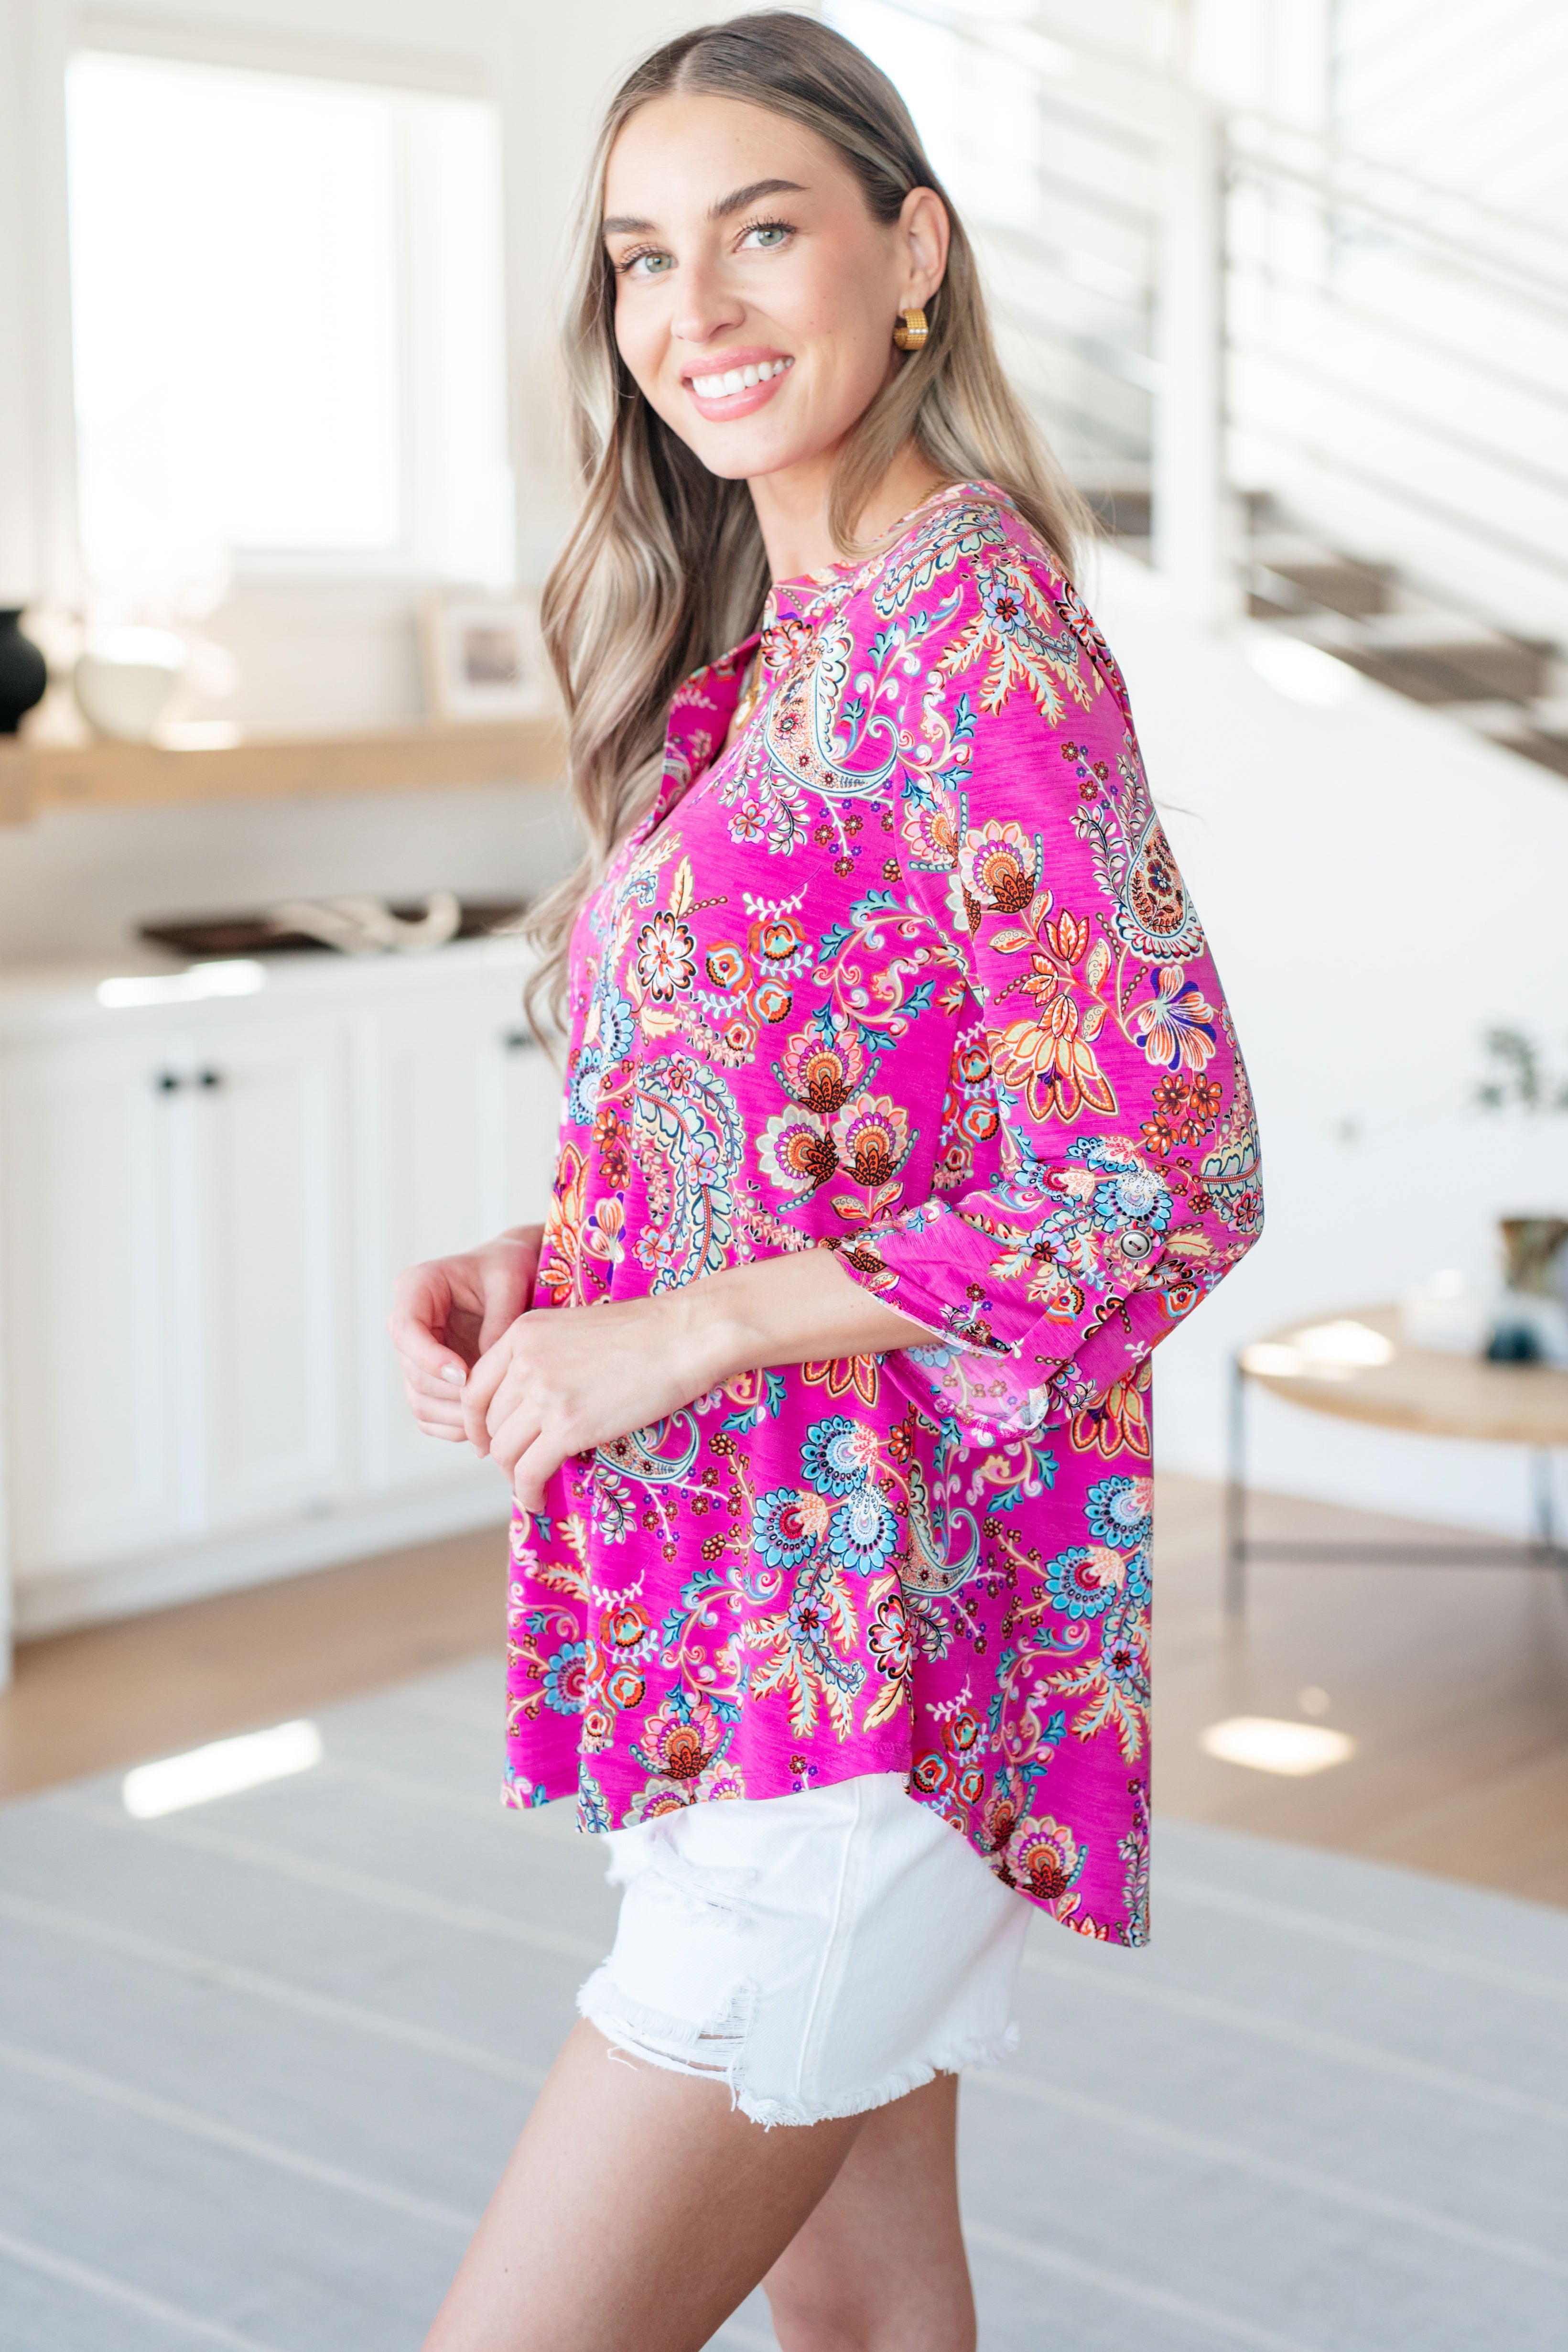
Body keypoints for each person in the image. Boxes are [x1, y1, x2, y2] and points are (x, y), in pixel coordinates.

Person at [389, 16, 1263, 2350]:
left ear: (914, 253)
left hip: (859, 1673)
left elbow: (1163, 1163)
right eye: (638, 257)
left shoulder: (969, 636)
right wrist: (552, 1262)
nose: (693, 308)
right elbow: (815, 1101)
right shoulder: (791, 645)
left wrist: (673, 1332)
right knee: (866, 2317)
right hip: (752, 1638)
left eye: (759, 232)